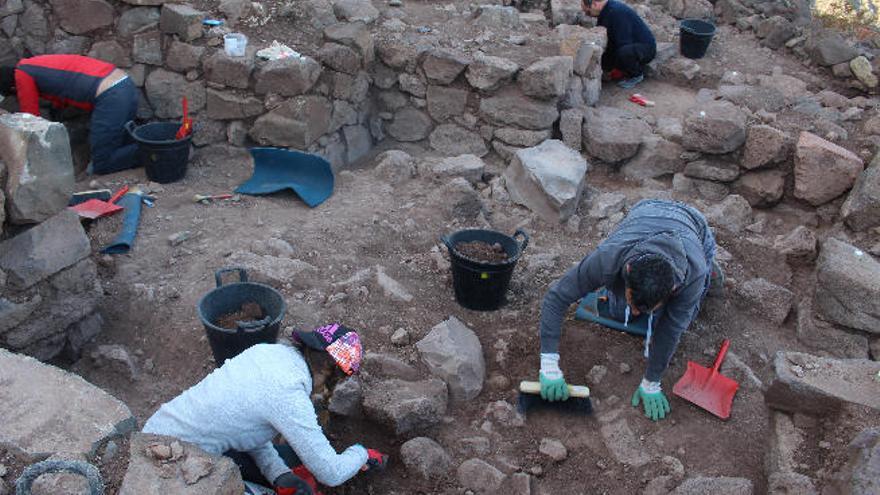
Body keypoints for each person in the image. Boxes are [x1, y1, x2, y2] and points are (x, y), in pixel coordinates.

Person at [143, 323, 388, 495]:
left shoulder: (268, 353)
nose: (328, 391)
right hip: (168, 468)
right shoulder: (289, 393)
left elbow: (248, 427)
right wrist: (361, 454)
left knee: (286, 458)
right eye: (336, 382)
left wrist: (278, 474)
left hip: (154, 435)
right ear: (327, 370)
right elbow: (331, 473)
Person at [537, 199, 723, 421]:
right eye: (633, 303)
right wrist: (548, 364)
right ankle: (641, 303)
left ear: (673, 288)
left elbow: (671, 329)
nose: (635, 312)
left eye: (643, 307)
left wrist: (652, 381)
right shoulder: (608, 257)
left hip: (694, 228)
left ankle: (714, 275)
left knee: (680, 318)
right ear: (628, 269)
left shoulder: (692, 274)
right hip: (645, 212)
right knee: (620, 313)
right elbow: (556, 297)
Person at [0, 54, 139, 175]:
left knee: (102, 163)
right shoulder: (34, 65)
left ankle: (152, 151)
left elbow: (31, 121)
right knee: (122, 143)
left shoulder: (22, 74)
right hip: (124, 85)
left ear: (12, 88)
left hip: (111, 95)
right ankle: (152, 148)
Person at [584, 0, 657, 89]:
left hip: (645, 48)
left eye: (588, 11)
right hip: (630, 45)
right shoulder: (605, 12)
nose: (587, 14)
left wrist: (613, 67)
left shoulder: (616, 12)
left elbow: (623, 41)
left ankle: (636, 75)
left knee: (624, 53)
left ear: (594, 4)